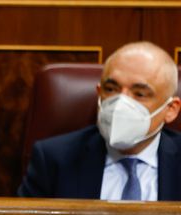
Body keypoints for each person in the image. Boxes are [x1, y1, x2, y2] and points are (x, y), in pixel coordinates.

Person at [18, 41, 181, 200]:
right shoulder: (54, 159)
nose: (120, 103)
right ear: (99, 93)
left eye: (139, 94)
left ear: (171, 109)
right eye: (110, 89)